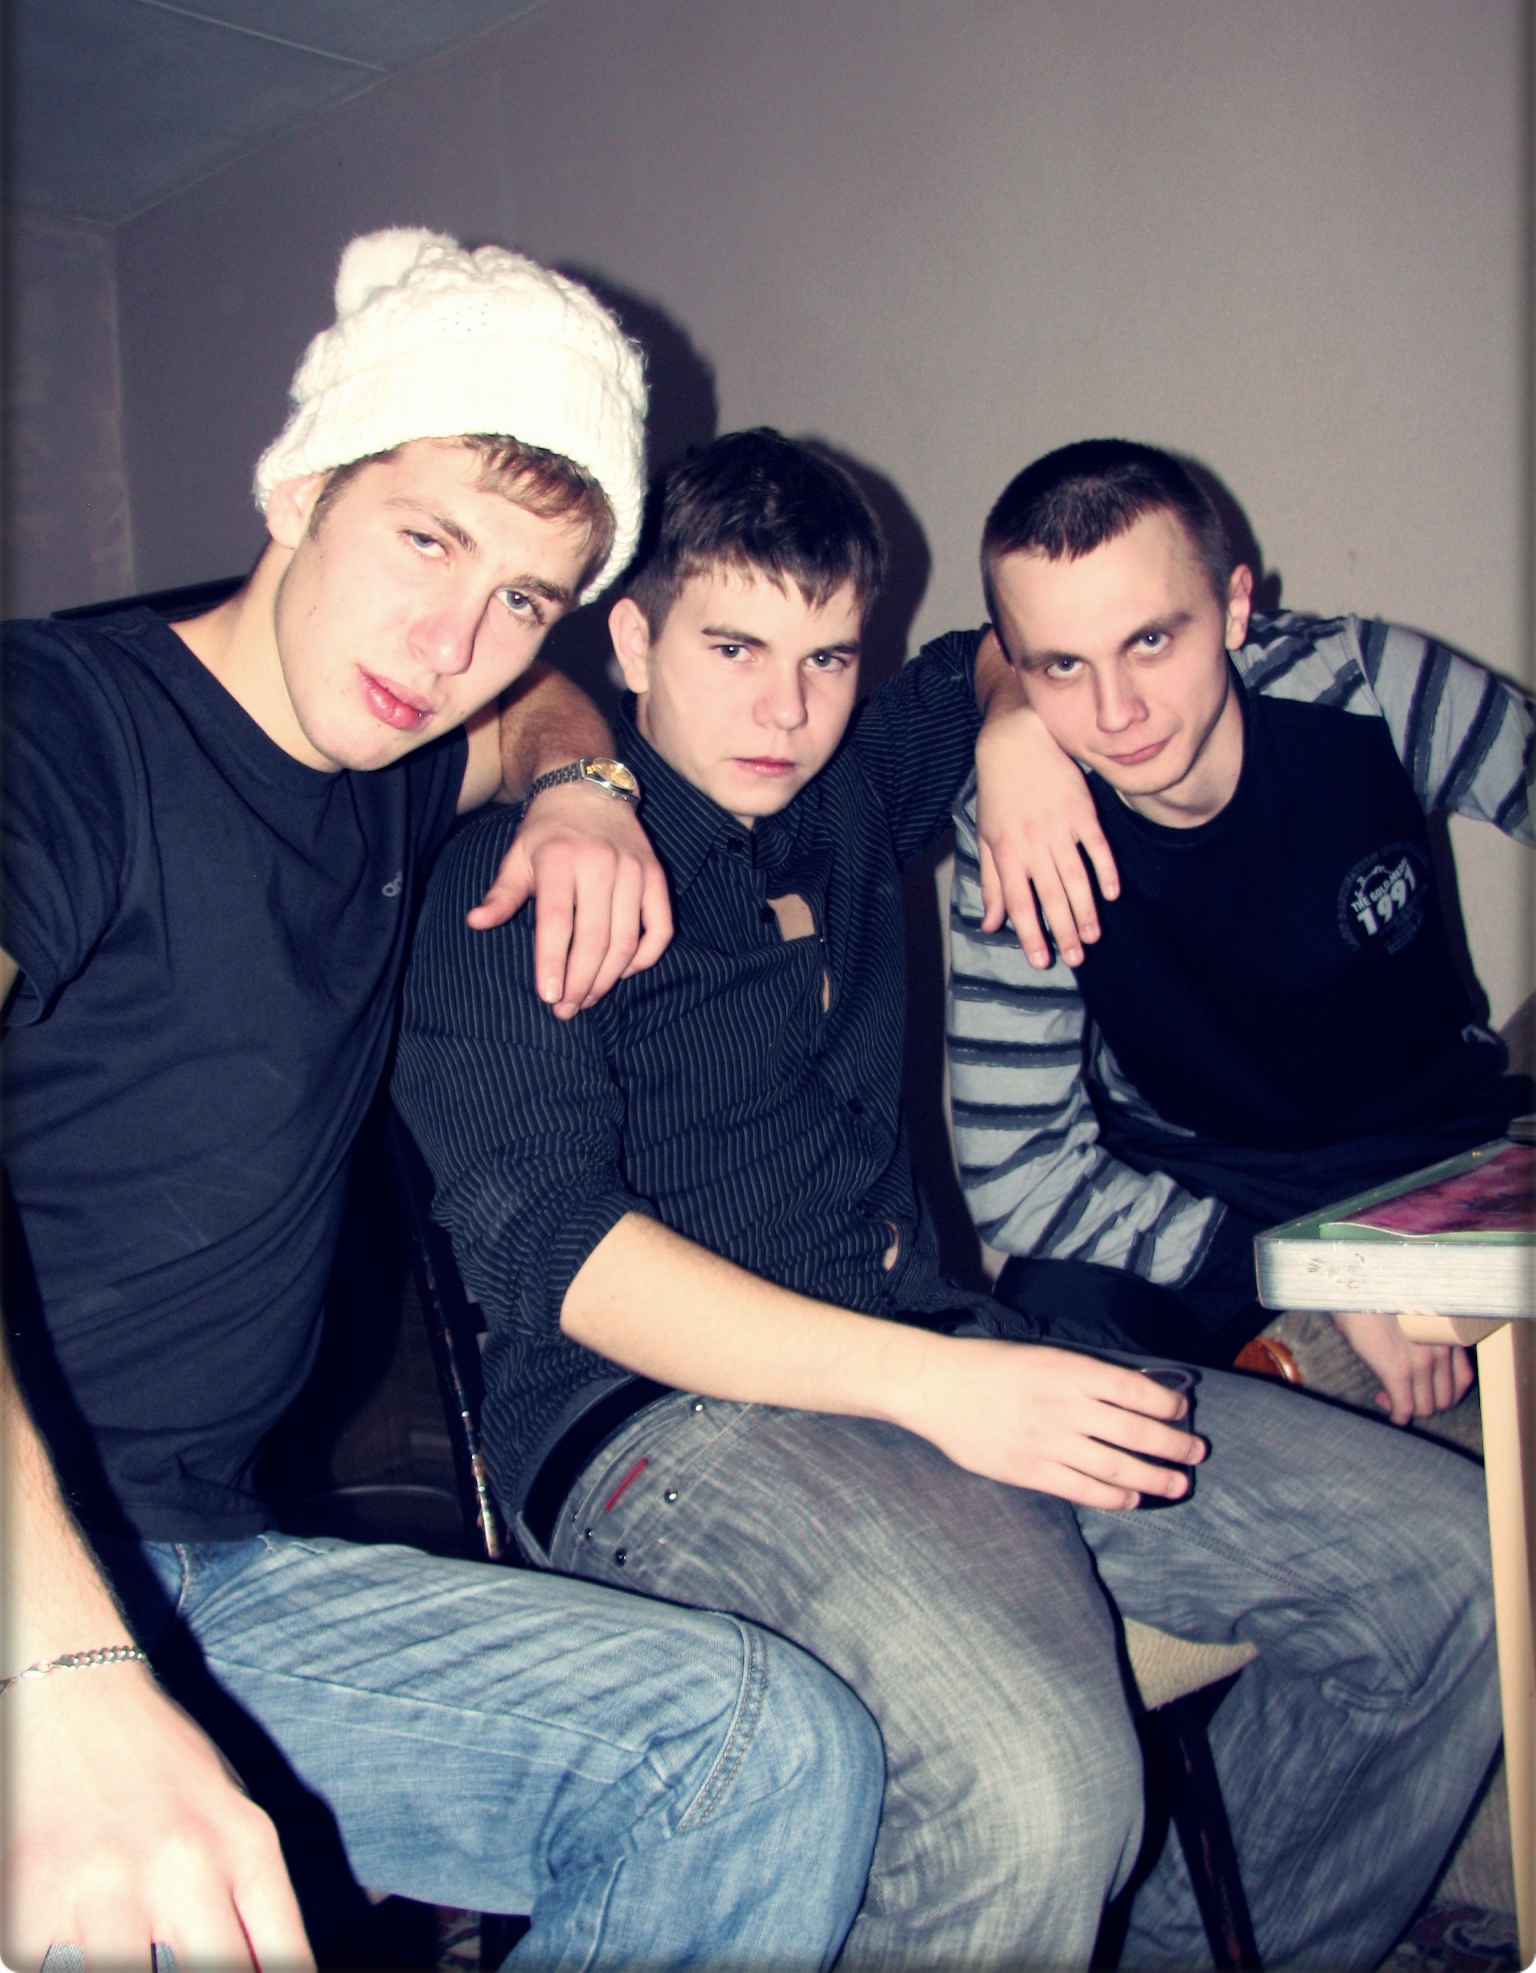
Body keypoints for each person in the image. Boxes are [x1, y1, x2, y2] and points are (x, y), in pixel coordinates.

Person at [395, 426, 1501, 1971]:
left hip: (939, 1352)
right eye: (731, 649)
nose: (785, 710)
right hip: (665, 1426)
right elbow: (555, 1257)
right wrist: (939, 1386)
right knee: (1038, 1791)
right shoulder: (523, 877)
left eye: (827, 658)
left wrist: (1016, 726)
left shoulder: (850, 783)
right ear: (632, 643)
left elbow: (1009, 647)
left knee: (1453, 1577)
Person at [0, 229, 888, 1973]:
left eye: (526, 595)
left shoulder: (395, 766)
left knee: (761, 1755)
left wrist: (582, 782)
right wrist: (58, 1669)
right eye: (426, 540)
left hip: (202, 1563)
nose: (453, 639)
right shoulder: (61, 728)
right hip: (38, 1574)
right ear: (300, 488)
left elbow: (538, 706)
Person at [947, 437, 1534, 1423]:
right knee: (1053, 1359)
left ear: (1233, 606)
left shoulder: (1369, 687)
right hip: (1194, 1174)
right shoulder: (1020, 824)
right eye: (1063, 665)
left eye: (1150, 640)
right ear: (1018, 665)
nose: (1117, 711)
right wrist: (1318, 1275)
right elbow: (1019, 1176)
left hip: (1428, 1144)